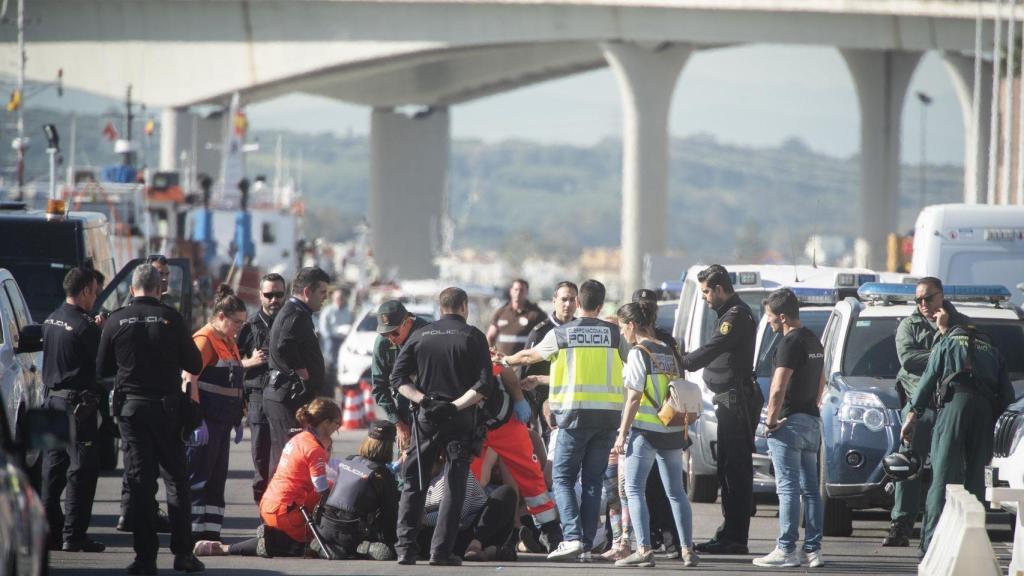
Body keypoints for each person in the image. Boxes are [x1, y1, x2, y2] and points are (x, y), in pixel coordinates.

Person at [501, 279, 624, 562]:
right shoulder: (614, 334)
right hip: (607, 418)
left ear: (578, 303)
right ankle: (588, 544)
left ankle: (572, 538)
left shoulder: (563, 333)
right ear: (601, 305)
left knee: (562, 479)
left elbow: (529, 355)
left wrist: (505, 361)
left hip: (574, 416)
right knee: (593, 482)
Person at [97, 264, 204, 575]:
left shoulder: (116, 320)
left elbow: (102, 368)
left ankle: (145, 558)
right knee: (177, 481)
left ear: (132, 289)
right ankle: (183, 554)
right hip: (168, 411)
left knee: (141, 484)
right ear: (159, 289)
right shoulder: (171, 318)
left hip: (131, 411)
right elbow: (194, 363)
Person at [390, 286, 493, 566]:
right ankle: (441, 552)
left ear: (440, 307)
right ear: (464, 307)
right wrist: (455, 406)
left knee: (414, 482)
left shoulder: (421, 335)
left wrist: (425, 401)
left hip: (427, 418)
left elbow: (398, 379)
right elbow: (484, 385)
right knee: (454, 486)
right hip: (460, 419)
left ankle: (405, 549)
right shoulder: (473, 336)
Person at [901, 316, 1014, 554]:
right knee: (976, 480)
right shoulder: (993, 352)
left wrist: (912, 414)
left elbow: (928, 380)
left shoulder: (946, 344)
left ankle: (930, 544)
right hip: (984, 412)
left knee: (942, 477)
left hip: (953, 407)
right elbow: (1007, 397)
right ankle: (971, 545)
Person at [193, 398, 341, 558]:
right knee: (313, 536)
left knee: (325, 491)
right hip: (285, 512)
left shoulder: (299, 438)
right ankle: (274, 540)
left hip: (270, 504)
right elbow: (321, 488)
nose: (337, 429)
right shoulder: (314, 448)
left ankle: (274, 536)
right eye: (337, 424)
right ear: (326, 422)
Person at [677, 265, 757, 555]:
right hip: (727, 399)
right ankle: (729, 533)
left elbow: (714, 347)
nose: (704, 298)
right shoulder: (727, 313)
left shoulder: (735, 316)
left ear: (719, 289)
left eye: (706, 292)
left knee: (734, 470)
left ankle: (735, 537)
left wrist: (683, 360)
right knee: (726, 468)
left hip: (735, 400)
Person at [884, 277, 969, 547]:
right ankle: (901, 525)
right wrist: (944, 347)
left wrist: (943, 340)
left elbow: (967, 359)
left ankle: (947, 525)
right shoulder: (909, 325)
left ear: (941, 296)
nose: (922, 304)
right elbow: (909, 359)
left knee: (951, 469)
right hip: (919, 407)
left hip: (950, 405)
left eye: (928, 298)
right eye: (918, 299)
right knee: (908, 465)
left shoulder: (961, 323)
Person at [611, 302, 697, 568]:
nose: (622, 333)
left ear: (632, 325)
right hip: (672, 428)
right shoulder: (668, 350)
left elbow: (634, 396)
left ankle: (644, 549)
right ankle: (688, 549)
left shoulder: (639, 353)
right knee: (676, 492)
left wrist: (622, 433)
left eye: (622, 327)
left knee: (633, 489)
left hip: (646, 431)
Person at [751, 289, 825, 568]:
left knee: (788, 489)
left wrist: (770, 421)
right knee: (811, 490)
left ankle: (786, 549)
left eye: (770, 316)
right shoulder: (813, 339)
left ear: (782, 317)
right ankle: (813, 550)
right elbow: (822, 379)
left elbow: (778, 386)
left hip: (788, 423)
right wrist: (813, 404)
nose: (769, 321)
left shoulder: (789, 342)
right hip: (811, 421)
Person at [41, 267, 105, 553]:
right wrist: (100, 330)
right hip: (77, 407)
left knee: (51, 472)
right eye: (95, 292)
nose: (96, 297)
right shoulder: (85, 326)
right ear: (85, 291)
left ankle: (51, 533)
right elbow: (103, 363)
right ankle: (74, 535)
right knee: (82, 471)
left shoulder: (50, 319)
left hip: (52, 402)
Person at [470, 362, 561, 551]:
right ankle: (475, 535)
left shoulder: (473, 349)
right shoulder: (432, 354)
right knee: (471, 480)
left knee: (530, 476)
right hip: (472, 424)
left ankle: (550, 533)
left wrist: (519, 399)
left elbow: (504, 370)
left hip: (503, 421)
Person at [183, 285, 248, 543]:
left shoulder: (228, 342)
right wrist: (196, 419)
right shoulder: (205, 340)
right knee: (199, 478)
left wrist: (238, 416)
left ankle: (211, 532)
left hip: (223, 422)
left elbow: (233, 382)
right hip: (207, 422)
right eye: (236, 322)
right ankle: (193, 532)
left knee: (216, 480)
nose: (239, 328)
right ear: (221, 316)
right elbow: (189, 378)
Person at [266, 266, 330, 479]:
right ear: (307, 292)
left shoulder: (300, 313)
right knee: (287, 458)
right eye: (322, 292)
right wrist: (303, 373)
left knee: (291, 456)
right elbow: (284, 345)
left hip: (292, 396)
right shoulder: (295, 314)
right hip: (287, 396)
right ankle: (279, 500)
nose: (325, 297)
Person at [316, 420, 400, 560]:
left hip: (325, 526)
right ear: (389, 446)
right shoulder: (382, 474)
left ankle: (329, 545)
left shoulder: (349, 460)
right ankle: (361, 547)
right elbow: (389, 515)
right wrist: (393, 542)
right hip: (351, 532)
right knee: (390, 549)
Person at [237, 273, 287, 503]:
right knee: (261, 455)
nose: (274, 299)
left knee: (284, 457)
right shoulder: (248, 327)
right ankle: (263, 507)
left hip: (284, 397)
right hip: (258, 396)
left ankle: (280, 507)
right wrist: (250, 362)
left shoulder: (291, 323)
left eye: (279, 294)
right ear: (260, 296)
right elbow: (230, 362)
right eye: (269, 295)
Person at [418, 457, 519, 562]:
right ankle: (492, 552)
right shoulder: (417, 480)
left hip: (477, 530)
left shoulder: (457, 471)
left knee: (506, 493)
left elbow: (459, 514)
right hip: (448, 539)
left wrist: (424, 519)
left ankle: (476, 546)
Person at [519, 281, 578, 439]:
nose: (568, 304)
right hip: (547, 400)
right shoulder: (540, 332)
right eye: (564, 299)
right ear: (554, 300)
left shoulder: (581, 330)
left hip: (576, 398)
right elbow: (526, 370)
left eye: (572, 300)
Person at [371, 300, 430, 451]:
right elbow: (379, 387)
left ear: (408, 322)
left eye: (394, 332)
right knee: (406, 460)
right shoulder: (383, 343)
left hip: (431, 409)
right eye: (385, 333)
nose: (390, 338)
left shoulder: (428, 333)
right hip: (404, 412)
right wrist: (398, 423)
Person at [487, 278, 545, 356]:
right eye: (516, 289)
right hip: (502, 361)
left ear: (527, 292)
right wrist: (492, 356)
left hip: (525, 361)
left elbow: (545, 338)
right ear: (511, 291)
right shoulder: (501, 312)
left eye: (521, 290)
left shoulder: (536, 314)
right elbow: (490, 337)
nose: (518, 293)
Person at [319, 287, 352, 391]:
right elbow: (323, 327)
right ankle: (329, 384)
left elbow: (351, 324)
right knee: (330, 363)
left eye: (341, 297)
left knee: (342, 362)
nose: (340, 299)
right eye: (338, 297)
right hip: (331, 340)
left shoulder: (347, 311)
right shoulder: (328, 311)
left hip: (343, 340)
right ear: (333, 298)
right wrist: (328, 338)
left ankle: (340, 384)